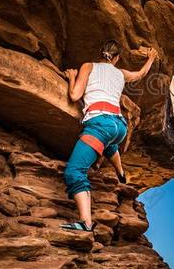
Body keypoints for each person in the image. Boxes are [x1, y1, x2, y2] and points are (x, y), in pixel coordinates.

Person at [60, 40, 157, 232]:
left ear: (101, 53)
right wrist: (151, 58)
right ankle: (121, 173)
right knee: (108, 143)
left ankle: (85, 223)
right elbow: (140, 74)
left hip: (100, 123)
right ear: (117, 58)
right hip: (119, 127)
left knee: (74, 171)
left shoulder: (88, 66)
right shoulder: (121, 73)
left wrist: (72, 77)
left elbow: (74, 95)